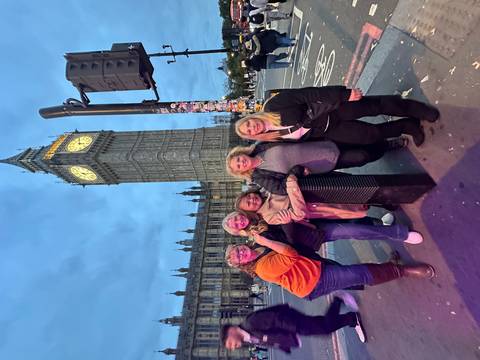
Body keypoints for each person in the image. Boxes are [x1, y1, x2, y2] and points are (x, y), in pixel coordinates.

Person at [224, 234, 435, 300]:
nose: (242, 253)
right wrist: (266, 241)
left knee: (354, 272)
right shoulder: (262, 268)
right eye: (238, 257)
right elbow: (290, 254)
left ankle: (391, 267)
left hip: (313, 268)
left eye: (239, 250)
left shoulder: (258, 248)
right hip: (312, 282)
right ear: (243, 264)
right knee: (357, 273)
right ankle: (403, 271)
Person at [234, 86, 440, 146]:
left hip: (333, 110)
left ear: (250, 117)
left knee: (376, 106)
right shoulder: (272, 138)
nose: (253, 127)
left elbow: (308, 94)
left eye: (249, 123)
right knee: (371, 135)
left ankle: (417, 109)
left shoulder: (273, 106)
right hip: (330, 131)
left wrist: (343, 95)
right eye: (249, 131)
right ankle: (408, 127)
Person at [225, 140, 404, 195]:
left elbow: (286, 136)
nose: (242, 163)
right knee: (362, 157)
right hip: (318, 165)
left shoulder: (260, 146)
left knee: (358, 145)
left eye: (239, 159)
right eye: (239, 166)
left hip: (318, 144)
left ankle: (384, 143)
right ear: (241, 171)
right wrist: (297, 172)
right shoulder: (259, 177)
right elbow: (280, 190)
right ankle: (387, 146)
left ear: (241, 153)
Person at [221, 300, 367, 354]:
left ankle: (338, 302)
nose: (233, 347)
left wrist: (294, 327)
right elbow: (268, 339)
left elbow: (275, 318)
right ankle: (350, 319)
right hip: (291, 326)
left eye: (230, 343)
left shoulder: (250, 323)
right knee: (322, 324)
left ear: (232, 330)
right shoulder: (247, 337)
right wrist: (284, 346)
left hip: (291, 321)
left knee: (324, 328)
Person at [234, 174, 390, 224]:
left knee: (354, 190)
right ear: (251, 212)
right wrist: (292, 186)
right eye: (249, 204)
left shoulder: (266, 190)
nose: (252, 200)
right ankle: (382, 222)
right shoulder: (269, 217)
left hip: (317, 189)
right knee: (353, 208)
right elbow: (298, 214)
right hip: (318, 206)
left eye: (249, 197)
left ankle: (387, 202)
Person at [222, 210, 424, 248]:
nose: (238, 222)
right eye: (235, 226)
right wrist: (287, 222)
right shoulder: (258, 235)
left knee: (351, 223)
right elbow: (288, 243)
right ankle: (401, 233)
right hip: (312, 234)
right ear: (237, 231)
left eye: (235, 219)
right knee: (353, 232)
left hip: (311, 220)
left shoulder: (257, 212)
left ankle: (381, 225)